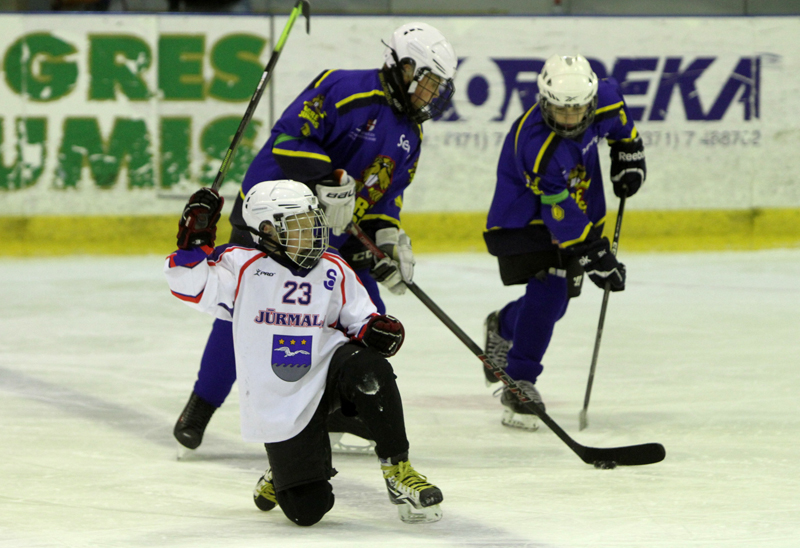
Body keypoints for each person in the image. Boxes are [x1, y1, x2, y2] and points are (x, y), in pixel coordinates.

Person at [172, 22, 457, 452]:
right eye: (429, 82)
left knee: (366, 314)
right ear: (404, 67)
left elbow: (385, 198)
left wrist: (386, 239)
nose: (432, 95)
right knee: (244, 310)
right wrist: (326, 177)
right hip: (270, 217)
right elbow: (287, 139)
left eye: (438, 87)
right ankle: (201, 405)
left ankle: (338, 412)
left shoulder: (410, 136)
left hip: (329, 233)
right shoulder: (343, 88)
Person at [165, 179, 444, 525]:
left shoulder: (332, 266)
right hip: (280, 402)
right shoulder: (240, 266)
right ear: (266, 230)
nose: (311, 232)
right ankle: (283, 471)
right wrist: (194, 240)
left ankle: (398, 470)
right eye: (299, 225)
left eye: (313, 221)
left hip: (327, 374)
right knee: (309, 510)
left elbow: (358, 316)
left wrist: (374, 329)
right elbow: (188, 287)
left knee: (370, 369)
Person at [483, 54, 646, 430]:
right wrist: (595, 254)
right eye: (560, 110)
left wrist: (628, 152)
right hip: (522, 218)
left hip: (575, 209)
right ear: (544, 101)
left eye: (577, 110)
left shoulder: (603, 97)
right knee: (552, 289)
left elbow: (620, 117)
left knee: (554, 304)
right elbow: (559, 212)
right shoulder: (536, 146)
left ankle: (502, 325)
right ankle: (518, 382)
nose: (570, 119)